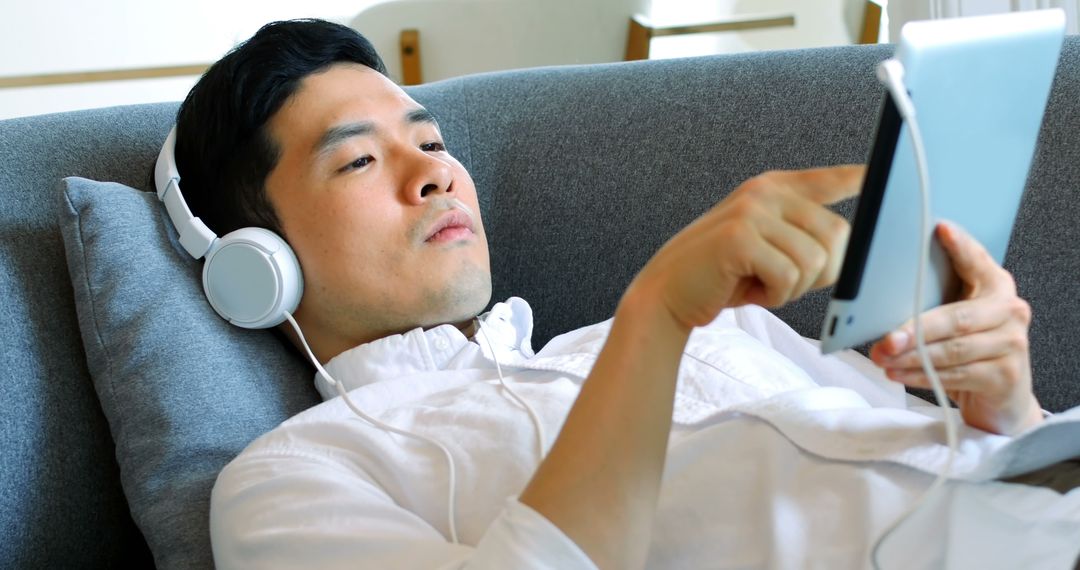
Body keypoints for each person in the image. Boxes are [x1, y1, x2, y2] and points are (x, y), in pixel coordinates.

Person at [174, 19, 1078, 569]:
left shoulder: (717, 332)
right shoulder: (294, 477)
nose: (435, 175)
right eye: (361, 160)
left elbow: (979, 469)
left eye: (434, 140)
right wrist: (658, 314)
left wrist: (1005, 406)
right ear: (257, 261)